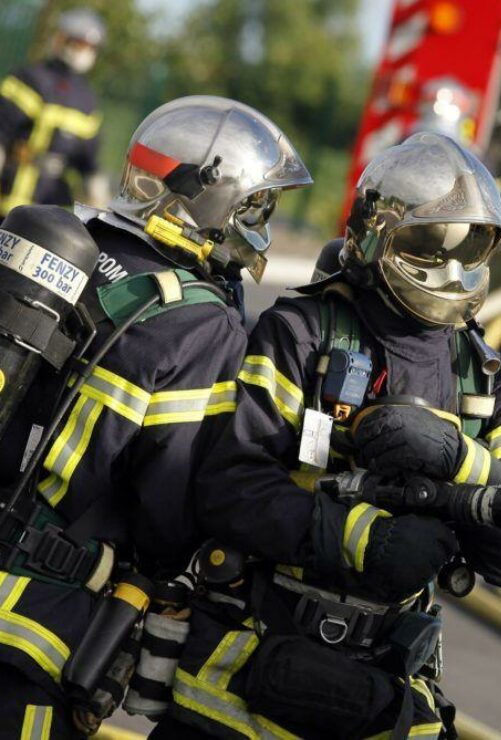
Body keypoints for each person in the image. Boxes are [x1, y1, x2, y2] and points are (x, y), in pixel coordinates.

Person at [155, 132, 501, 739]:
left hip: (382, 695)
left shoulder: (491, 383)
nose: (452, 269)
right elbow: (228, 486)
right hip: (242, 688)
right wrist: (361, 540)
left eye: (472, 244)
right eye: (431, 243)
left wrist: (466, 463)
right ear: (374, 235)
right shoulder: (301, 333)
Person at [0, 95, 311, 738]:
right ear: (215, 202)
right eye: (255, 207)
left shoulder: (60, 237)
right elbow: (168, 505)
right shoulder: (198, 321)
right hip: (33, 621)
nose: (260, 226)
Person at [0, 8, 107, 217]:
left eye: (90, 48)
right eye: (78, 44)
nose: (83, 52)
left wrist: (99, 202)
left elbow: (89, 163)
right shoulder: (29, 79)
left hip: (49, 210)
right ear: (60, 40)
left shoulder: (87, 101)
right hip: (9, 196)